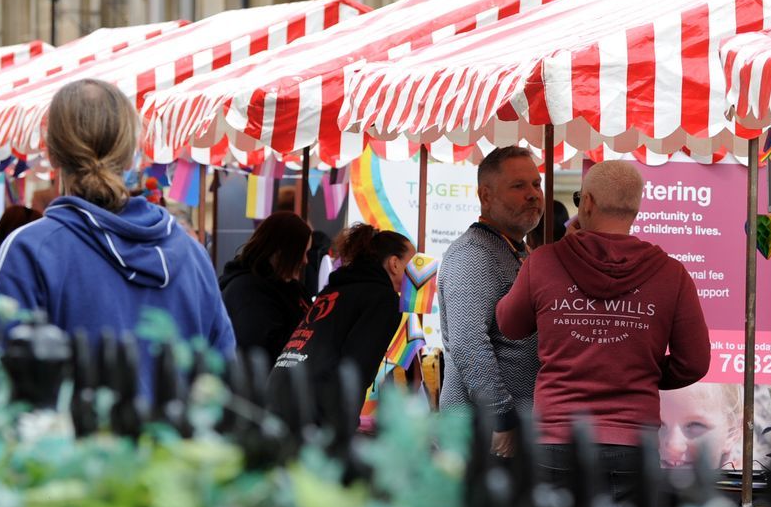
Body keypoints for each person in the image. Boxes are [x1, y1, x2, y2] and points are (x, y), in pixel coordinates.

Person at [0, 79, 234, 392]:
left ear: (51, 154)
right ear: (132, 153)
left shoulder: (30, 250)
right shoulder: (192, 254)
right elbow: (224, 381)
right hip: (174, 440)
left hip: (73, 439)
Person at [495, 160, 709, 499]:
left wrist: (561, 249)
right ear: (636, 207)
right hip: (632, 442)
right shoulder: (671, 274)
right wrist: (641, 372)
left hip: (555, 438)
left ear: (588, 204)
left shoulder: (546, 262)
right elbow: (695, 362)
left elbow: (508, 324)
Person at [440, 145, 542, 456]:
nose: (533, 194)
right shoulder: (473, 254)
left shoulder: (514, 249)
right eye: (518, 186)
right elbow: (468, 343)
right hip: (483, 435)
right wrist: (502, 418)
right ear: (486, 196)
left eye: (536, 184)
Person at [267, 224, 408, 431]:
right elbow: (357, 368)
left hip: (278, 393)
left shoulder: (335, 289)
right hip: (313, 412)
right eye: (413, 263)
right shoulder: (382, 299)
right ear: (395, 264)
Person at [220, 212, 312, 367]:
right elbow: (261, 352)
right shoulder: (246, 291)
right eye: (302, 253)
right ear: (281, 252)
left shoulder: (289, 286)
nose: (305, 260)